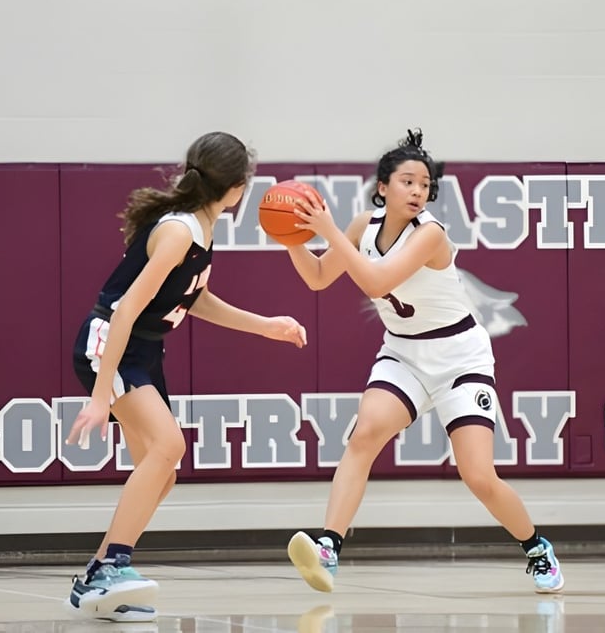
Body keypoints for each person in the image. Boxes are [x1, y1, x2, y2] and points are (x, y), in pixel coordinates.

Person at [281, 129, 563, 594]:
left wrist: (326, 228)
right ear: (382, 187)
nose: (418, 191)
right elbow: (316, 276)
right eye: (408, 181)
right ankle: (329, 546)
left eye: (425, 184)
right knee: (364, 434)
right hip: (404, 352)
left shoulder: (430, 234)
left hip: (460, 357)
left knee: (478, 475)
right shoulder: (361, 226)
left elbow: (374, 282)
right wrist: (289, 235)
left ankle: (535, 547)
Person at [64, 132, 307, 621]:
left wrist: (267, 327)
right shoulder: (179, 231)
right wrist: (98, 395)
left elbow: (193, 299)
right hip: (113, 345)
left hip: (143, 351)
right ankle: (112, 565)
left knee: (163, 473)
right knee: (169, 447)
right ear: (238, 189)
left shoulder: (199, 227)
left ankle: (95, 576)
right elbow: (127, 307)